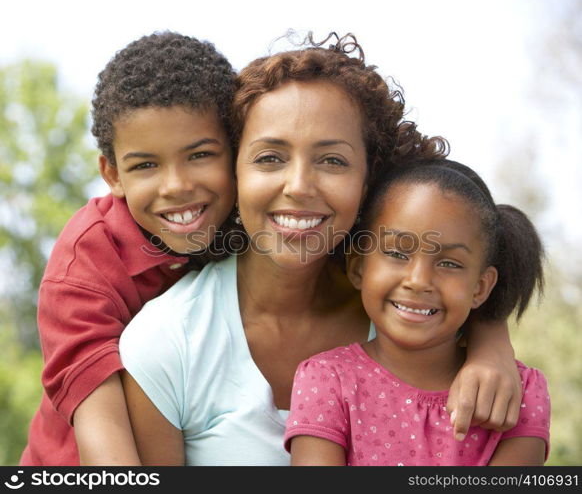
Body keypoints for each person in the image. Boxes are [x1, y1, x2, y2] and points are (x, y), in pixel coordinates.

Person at [119, 34, 525, 466]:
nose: (298, 186)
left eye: (332, 161)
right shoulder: (166, 343)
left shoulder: (409, 306)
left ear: (368, 180)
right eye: (270, 158)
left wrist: (490, 339)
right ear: (234, 171)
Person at [20, 31, 237, 466]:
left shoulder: (254, 223)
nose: (176, 186)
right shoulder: (83, 268)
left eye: (199, 155)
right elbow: (107, 443)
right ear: (113, 174)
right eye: (146, 166)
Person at [285, 159, 550, 466]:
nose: (418, 281)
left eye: (449, 263)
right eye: (397, 254)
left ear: (480, 287)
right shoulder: (326, 380)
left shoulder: (522, 391)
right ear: (358, 267)